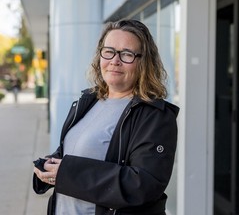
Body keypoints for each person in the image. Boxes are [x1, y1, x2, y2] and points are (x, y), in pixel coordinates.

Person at [33, 19, 179, 215]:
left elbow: (144, 185)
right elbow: (73, 151)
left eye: (127, 54)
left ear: (144, 63)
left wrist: (68, 173)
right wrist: (50, 167)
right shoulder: (89, 101)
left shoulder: (155, 116)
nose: (114, 60)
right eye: (109, 51)